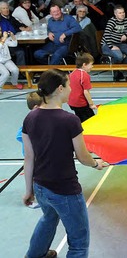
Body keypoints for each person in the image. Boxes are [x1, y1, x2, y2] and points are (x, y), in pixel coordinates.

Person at [23, 68, 105, 258]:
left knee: (48, 219)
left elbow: (29, 157)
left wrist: (29, 190)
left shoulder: (30, 118)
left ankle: (33, 255)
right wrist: (96, 164)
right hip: (65, 190)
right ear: (60, 89)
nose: (71, 89)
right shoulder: (70, 120)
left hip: (41, 186)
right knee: (79, 242)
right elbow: (83, 156)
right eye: (69, 85)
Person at [67, 53, 97, 122]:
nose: (92, 66)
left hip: (72, 103)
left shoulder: (72, 73)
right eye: (91, 64)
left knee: (80, 117)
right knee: (90, 120)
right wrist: (91, 104)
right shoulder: (84, 75)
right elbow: (86, 92)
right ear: (84, 65)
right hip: (81, 104)